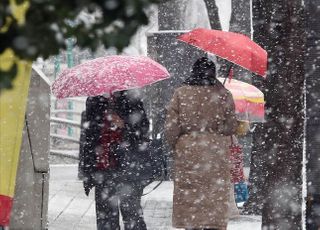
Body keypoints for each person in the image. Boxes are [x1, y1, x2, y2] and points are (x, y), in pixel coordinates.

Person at [165, 57, 238, 230]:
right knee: (214, 195)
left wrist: (175, 144)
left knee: (190, 196)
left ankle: (193, 224)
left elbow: (171, 127)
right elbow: (231, 126)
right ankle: (212, 224)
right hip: (216, 151)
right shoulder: (223, 94)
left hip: (188, 151)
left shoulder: (181, 93)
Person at [79, 91, 149, 230]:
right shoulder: (94, 100)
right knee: (106, 221)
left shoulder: (131, 99)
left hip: (128, 169)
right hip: (102, 170)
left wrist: (125, 124)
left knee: (133, 218)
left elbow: (143, 131)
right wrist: (87, 172)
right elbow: (87, 139)